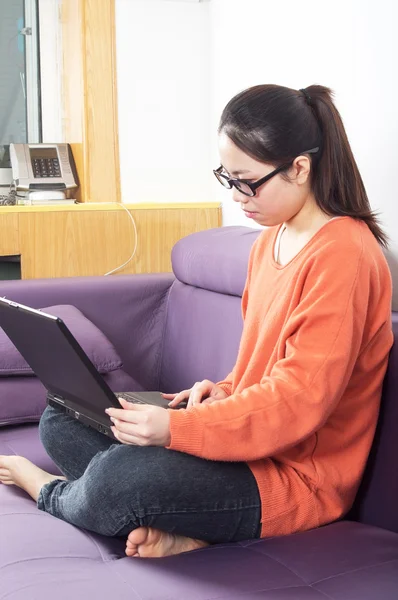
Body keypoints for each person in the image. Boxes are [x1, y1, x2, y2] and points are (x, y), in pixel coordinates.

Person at [0, 84, 393, 559]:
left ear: (300, 168)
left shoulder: (345, 254)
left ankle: (51, 490)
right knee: (65, 415)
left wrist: (175, 431)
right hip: (248, 447)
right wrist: (221, 392)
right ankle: (185, 527)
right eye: (227, 178)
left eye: (247, 182)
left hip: (292, 479)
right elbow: (260, 370)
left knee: (119, 479)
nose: (237, 196)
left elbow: (299, 401)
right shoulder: (272, 240)